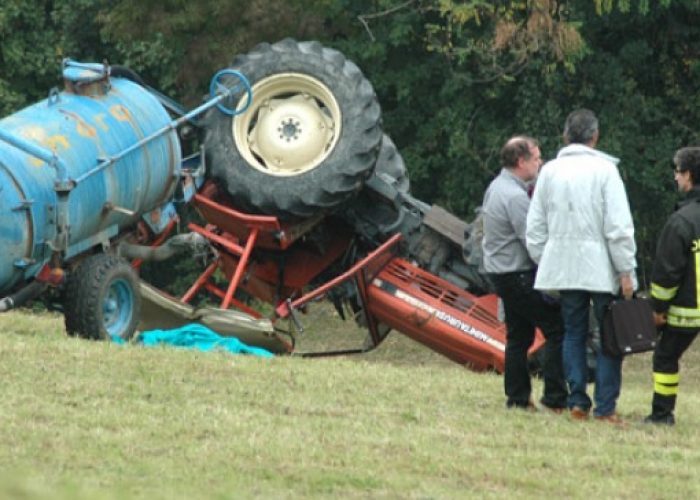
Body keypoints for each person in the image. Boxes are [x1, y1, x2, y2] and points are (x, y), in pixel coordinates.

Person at [526, 109, 636, 423]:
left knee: (573, 333)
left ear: (565, 136)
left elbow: (534, 228)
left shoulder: (549, 172)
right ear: (595, 136)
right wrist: (626, 270)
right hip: (601, 267)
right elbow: (618, 227)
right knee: (607, 335)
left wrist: (546, 259)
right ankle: (605, 407)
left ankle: (577, 403)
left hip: (564, 267)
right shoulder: (605, 171)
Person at [482, 135, 568, 412]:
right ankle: (554, 398)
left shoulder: (497, 187)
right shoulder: (515, 197)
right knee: (557, 329)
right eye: (536, 157)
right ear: (521, 161)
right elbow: (533, 241)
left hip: (504, 274)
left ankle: (517, 399)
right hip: (517, 275)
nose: (540, 162)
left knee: (518, 337)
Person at [645, 147, 700, 426]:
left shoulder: (682, 221)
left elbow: (667, 272)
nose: (675, 178)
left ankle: (661, 414)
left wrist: (658, 308)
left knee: (666, 357)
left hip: (687, 310)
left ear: (688, 175)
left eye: (677, 172)